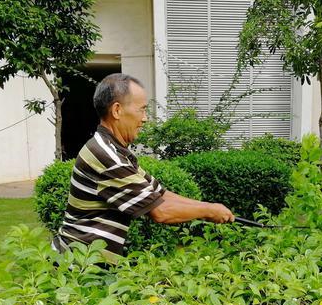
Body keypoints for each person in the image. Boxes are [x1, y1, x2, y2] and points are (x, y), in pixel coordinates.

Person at [53, 73, 234, 261]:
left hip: (87, 261)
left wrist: (211, 207)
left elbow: (160, 194)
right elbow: (161, 212)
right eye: (142, 109)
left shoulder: (116, 150)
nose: (146, 118)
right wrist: (209, 211)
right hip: (77, 265)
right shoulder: (106, 155)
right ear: (117, 110)